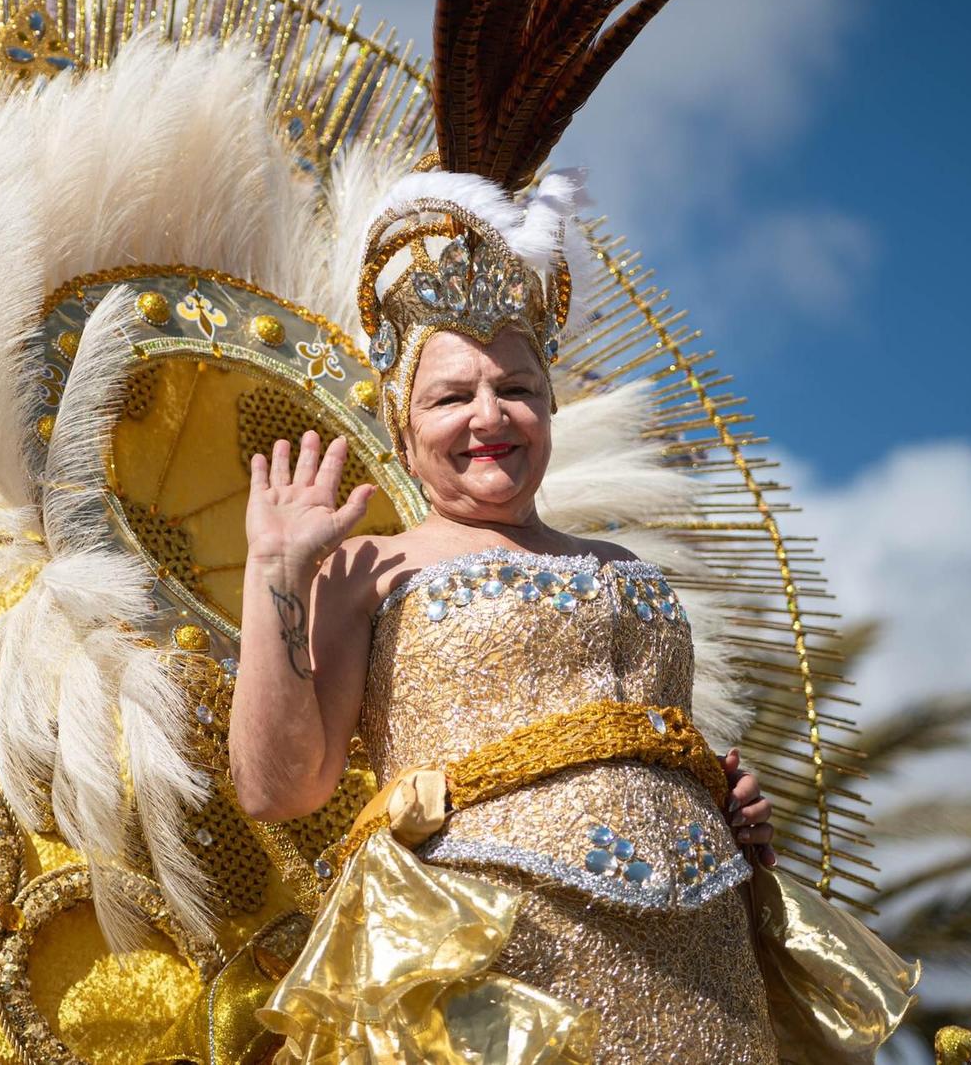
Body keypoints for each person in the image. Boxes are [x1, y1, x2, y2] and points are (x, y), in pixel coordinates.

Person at [230, 169, 783, 1063]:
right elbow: (279, 788)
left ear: (551, 402)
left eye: (516, 387)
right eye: (452, 396)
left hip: (704, 965)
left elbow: (645, 747)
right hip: (499, 965)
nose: (490, 415)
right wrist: (275, 575)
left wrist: (724, 801)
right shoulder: (369, 569)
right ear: (402, 426)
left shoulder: (629, 567)